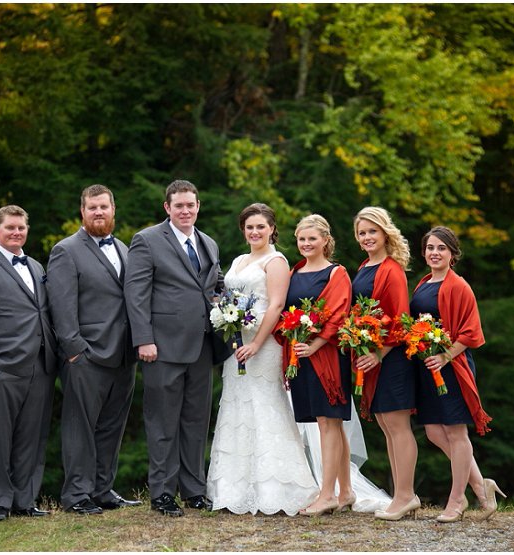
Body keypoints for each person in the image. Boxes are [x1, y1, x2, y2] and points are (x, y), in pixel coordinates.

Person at [207, 203, 319, 515]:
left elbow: (277, 305)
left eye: (261, 226)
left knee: (266, 407)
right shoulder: (240, 260)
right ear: (243, 231)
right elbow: (228, 297)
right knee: (237, 407)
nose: (255, 232)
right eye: (249, 227)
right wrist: (226, 317)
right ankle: (235, 489)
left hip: (264, 345)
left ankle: (278, 490)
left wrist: (256, 342)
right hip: (237, 345)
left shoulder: (277, 261)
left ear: (272, 229)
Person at [125, 180, 223, 517]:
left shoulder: (208, 243)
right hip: (161, 347)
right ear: (167, 208)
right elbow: (135, 293)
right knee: (162, 422)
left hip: (201, 346)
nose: (185, 211)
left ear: (198, 206)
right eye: (178, 205)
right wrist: (143, 339)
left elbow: (216, 287)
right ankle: (163, 494)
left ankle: (194, 490)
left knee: (195, 422)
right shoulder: (147, 240)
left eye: (190, 205)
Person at [46, 185, 141, 515]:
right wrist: (75, 351)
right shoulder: (66, 250)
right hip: (86, 356)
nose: (98, 212)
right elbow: (60, 305)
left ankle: (102, 489)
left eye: (103, 207)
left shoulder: (126, 250)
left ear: (114, 210)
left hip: (123, 355)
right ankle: (76, 494)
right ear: (82, 212)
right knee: (80, 428)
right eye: (92, 208)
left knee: (112, 427)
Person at [0, 205, 58, 521]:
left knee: (32, 435)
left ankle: (24, 500)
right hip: (4, 365)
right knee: (0, 437)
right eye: (10, 228)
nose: (16, 232)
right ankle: (1, 501)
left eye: (21, 228)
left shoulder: (35, 265)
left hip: (41, 364)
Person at [411, 226, 503, 523]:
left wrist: (445, 355)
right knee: (434, 432)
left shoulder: (458, 286)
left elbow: (472, 331)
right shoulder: (424, 283)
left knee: (455, 432)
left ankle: (457, 499)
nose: (434, 253)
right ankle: (480, 484)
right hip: (428, 367)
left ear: (452, 254)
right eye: (430, 248)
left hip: (452, 367)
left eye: (441, 248)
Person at [281, 214, 355, 516]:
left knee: (329, 420)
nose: (306, 244)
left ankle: (327, 495)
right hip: (301, 354)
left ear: (326, 240)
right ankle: (346, 491)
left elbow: (338, 314)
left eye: (312, 238)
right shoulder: (293, 272)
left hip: (327, 356)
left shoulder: (337, 273)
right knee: (328, 422)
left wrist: (315, 344)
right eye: (302, 239)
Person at [350, 207, 419, 521]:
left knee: (398, 427)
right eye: (362, 233)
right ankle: (401, 496)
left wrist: (378, 353)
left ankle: (406, 496)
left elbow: (400, 320)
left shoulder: (390, 270)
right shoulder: (365, 266)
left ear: (385, 233)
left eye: (371, 232)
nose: (366, 237)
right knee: (387, 427)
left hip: (392, 360)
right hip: (374, 358)